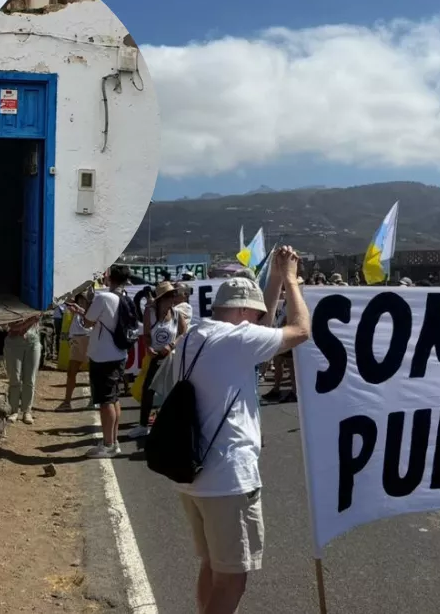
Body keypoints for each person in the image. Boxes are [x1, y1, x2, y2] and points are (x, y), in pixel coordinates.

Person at [170, 246, 311, 614]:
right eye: (256, 315)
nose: (260, 322)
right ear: (244, 313)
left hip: (193, 473)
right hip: (227, 480)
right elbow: (301, 330)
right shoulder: (237, 341)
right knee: (232, 579)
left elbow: (258, 331)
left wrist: (275, 278)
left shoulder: (195, 337)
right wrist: (292, 281)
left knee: (212, 566)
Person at [72, 265, 132, 458]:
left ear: (109, 278)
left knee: (106, 402)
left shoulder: (103, 297)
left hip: (103, 356)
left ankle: (108, 445)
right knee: (114, 399)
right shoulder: (124, 297)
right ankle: (113, 441)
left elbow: (88, 322)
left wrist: (80, 313)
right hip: (119, 354)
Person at [128, 281, 188, 439]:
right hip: (155, 357)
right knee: (148, 390)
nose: (173, 299)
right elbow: (147, 335)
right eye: (169, 296)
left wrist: (171, 345)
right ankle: (143, 425)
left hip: (171, 358)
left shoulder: (177, 314)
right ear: (161, 299)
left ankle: (171, 425)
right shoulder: (150, 313)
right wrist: (148, 347)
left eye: (173, 296)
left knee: (171, 392)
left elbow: (184, 333)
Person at [263, 276, 303, 403]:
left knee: (291, 365)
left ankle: (295, 392)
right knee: (279, 362)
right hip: (282, 333)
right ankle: (277, 389)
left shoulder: (295, 300)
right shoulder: (288, 300)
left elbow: (291, 318)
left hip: (287, 334)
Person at [4, 312, 43, 424]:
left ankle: (27, 411)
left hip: (33, 342)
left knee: (30, 379)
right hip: (13, 343)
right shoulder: (13, 306)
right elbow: (13, 326)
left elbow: (38, 316)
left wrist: (24, 325)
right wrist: (30, 321)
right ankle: (14, 411)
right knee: (15, 378)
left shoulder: (36, 306)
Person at [59, 293, 91, 411]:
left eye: (83, 301)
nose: (81, 303)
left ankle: (94, 400)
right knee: (71, 372)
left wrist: (80, 310)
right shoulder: (74, 309)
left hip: (89, 338)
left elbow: (92, 320)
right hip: (76, 340)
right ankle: (67, 402)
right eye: (79, 300)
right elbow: (66, 300)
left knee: (94, 373)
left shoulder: (93, 308)